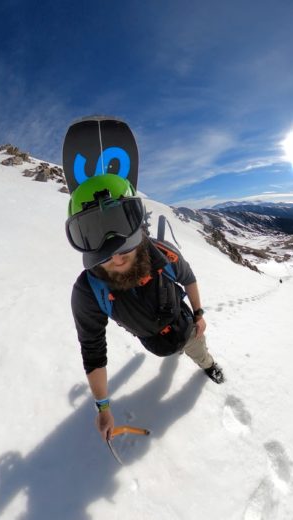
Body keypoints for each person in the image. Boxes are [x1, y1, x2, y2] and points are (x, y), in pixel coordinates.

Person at [66, 173, 225, 440]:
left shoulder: (164, 254)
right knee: (178, 349)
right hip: (153, 340)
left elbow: (188, 279)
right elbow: (93, 351)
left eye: (123, 241)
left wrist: (198, 315)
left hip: (185, 325)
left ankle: (208, 365)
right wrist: (102, 407)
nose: (116, 257)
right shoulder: (88, 293)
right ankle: (197, 359)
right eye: (97, 237)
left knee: (197, 349)